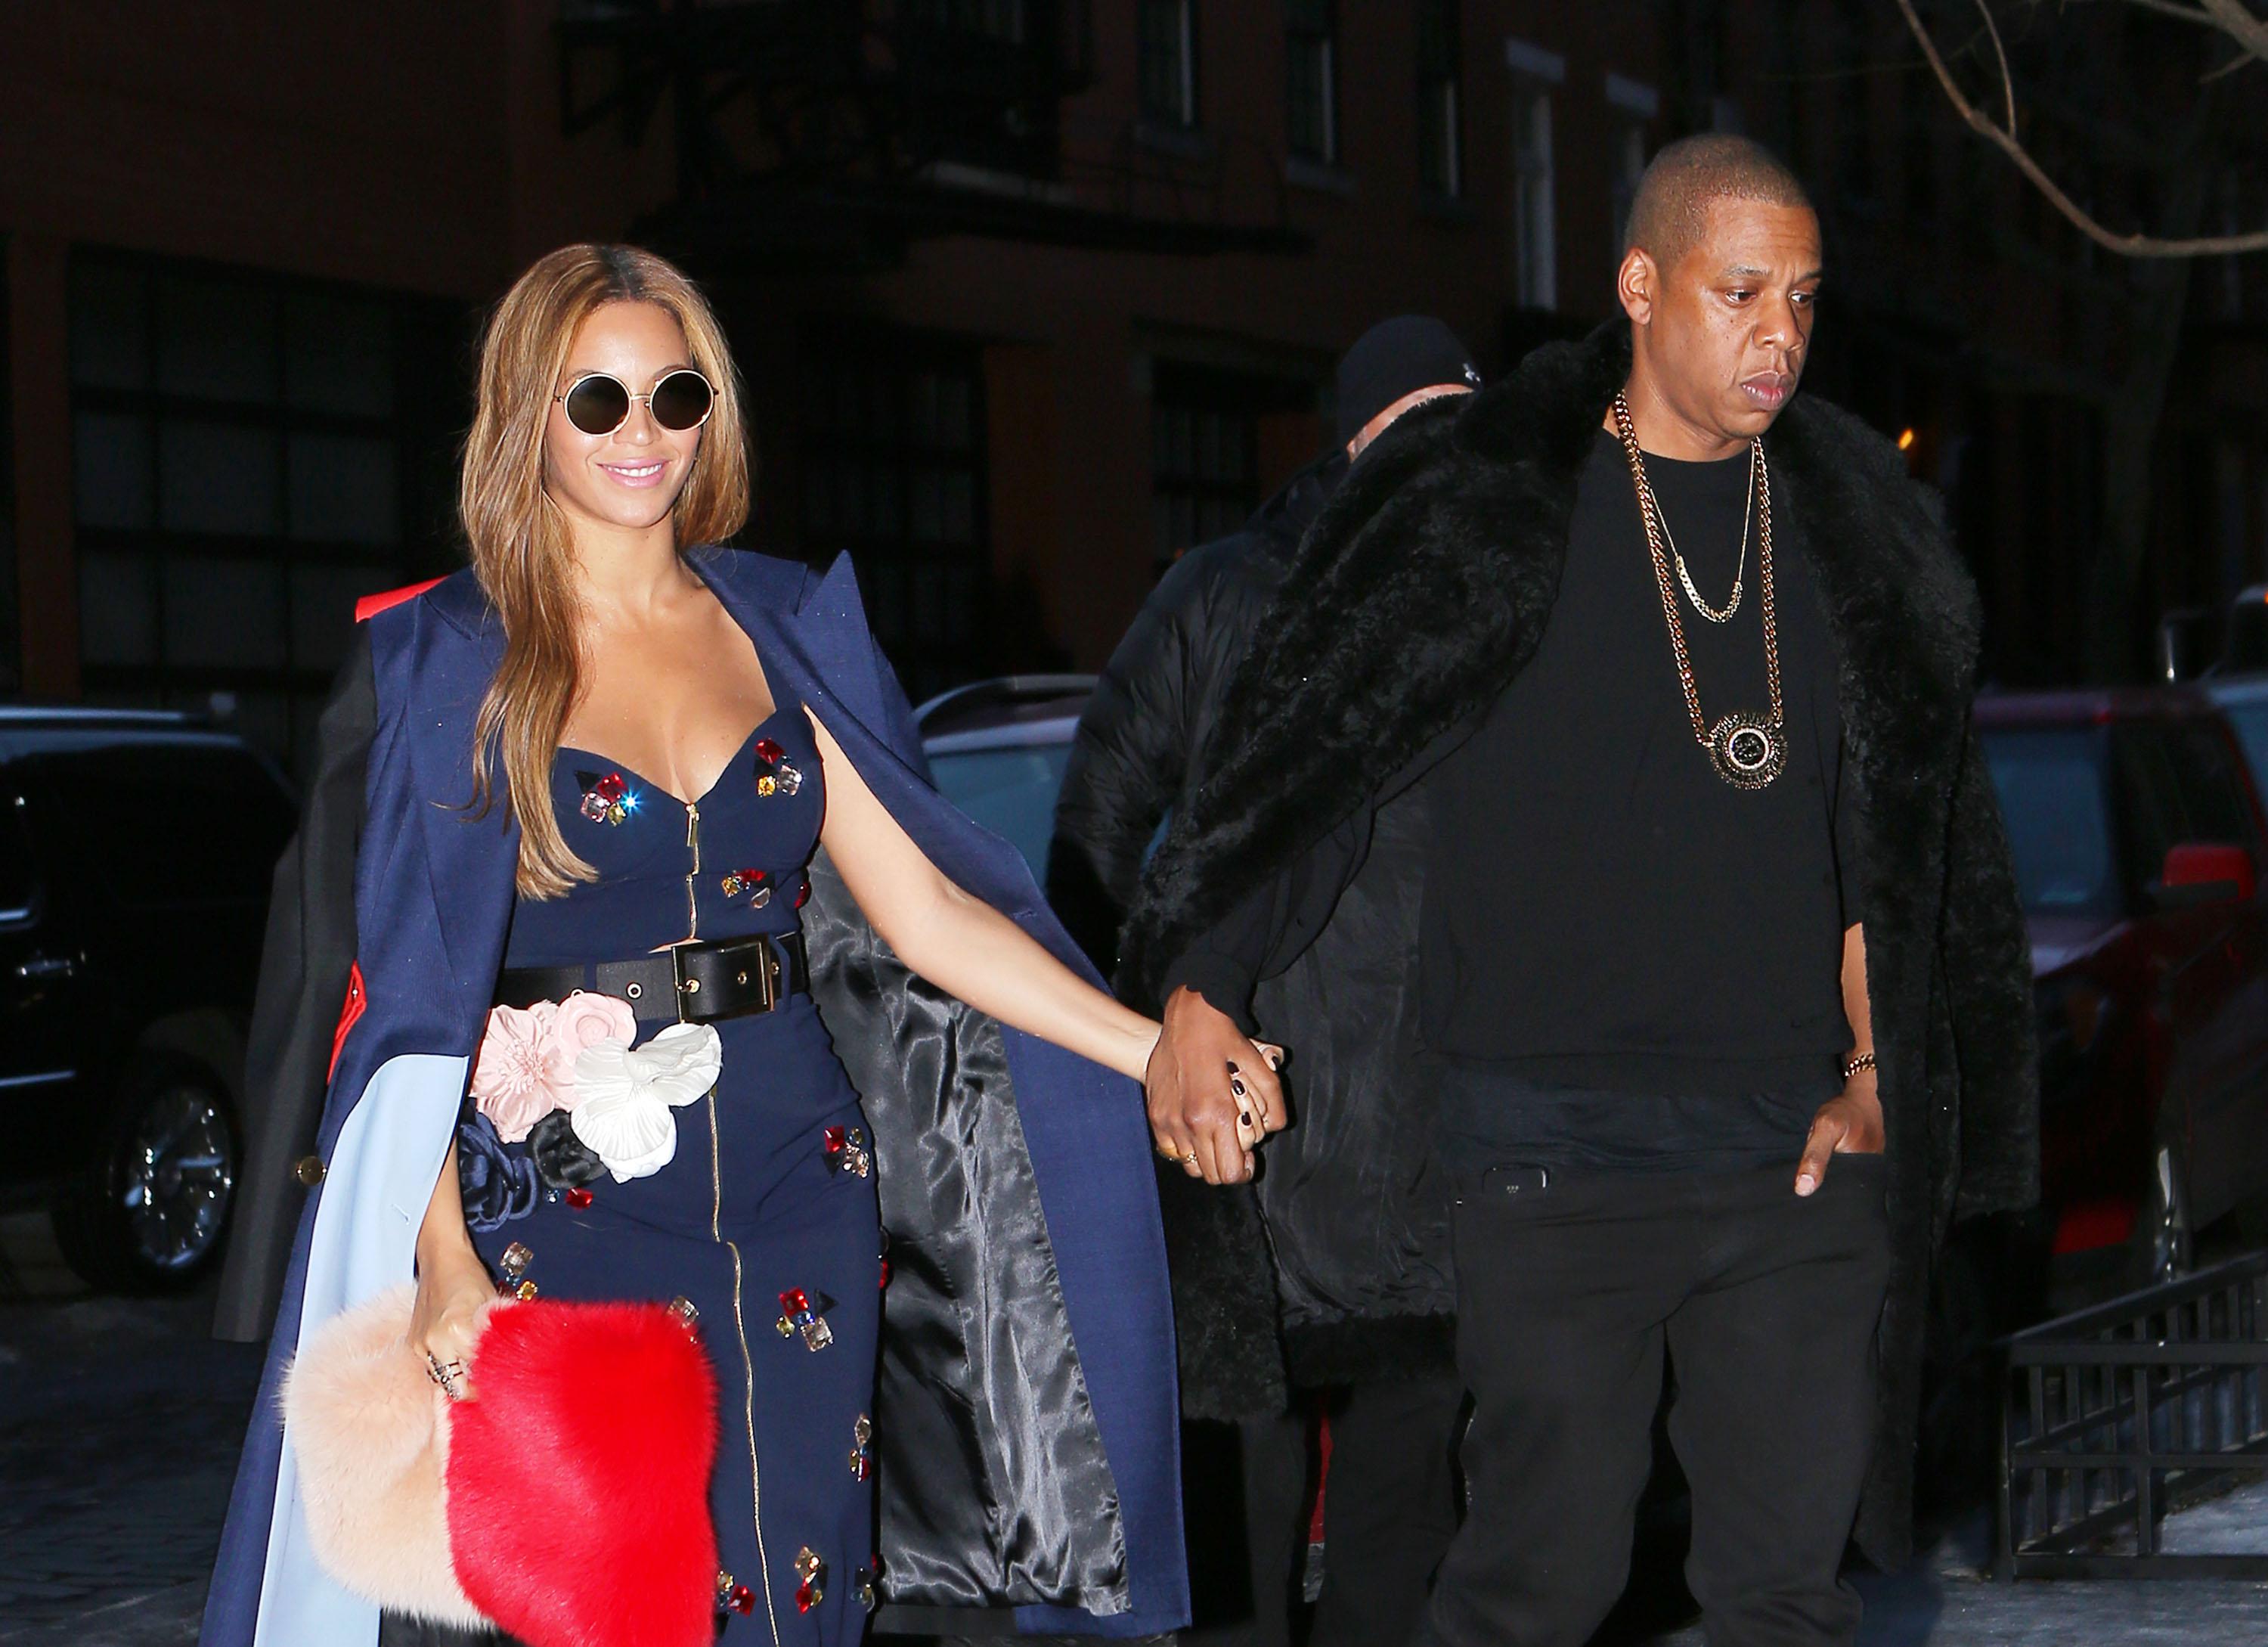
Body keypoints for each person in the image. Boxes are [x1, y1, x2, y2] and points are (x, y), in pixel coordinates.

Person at [203, 243, 1258, 1647]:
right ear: (527, 416)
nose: (643, 435)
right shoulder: (457, 661)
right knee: (613, 1599)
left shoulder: (784, 623)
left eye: (675, 394)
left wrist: (1156, 1049)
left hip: (795, 1172)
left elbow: (931, 911)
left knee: (796, 1576)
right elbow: (395, 1010)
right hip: (565, 1209)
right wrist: (439, 1257)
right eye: (599, 402)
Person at [1125, 135, 2037, 1647]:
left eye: (1804, 298)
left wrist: (1878, 1078)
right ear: (1638, 284)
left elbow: (1896, 840)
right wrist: (1204, 990)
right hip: (1551, 1153)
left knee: (1786, 1601)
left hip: (1793, 1160)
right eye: (1740, 290)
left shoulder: (1849, 528)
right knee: (1538, 1590)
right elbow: (1318, 758)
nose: (1781, 335)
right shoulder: (1492, 504)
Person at [1046, 317, 1480, 1647]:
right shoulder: (1466, 589)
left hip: (1287, 1126)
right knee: (1350, 1507)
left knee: (1280, 1500)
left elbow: (1094, 832)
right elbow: (1098, 833)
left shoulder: (1228, 591)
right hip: (1347, 1119)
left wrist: (1128, 1039)